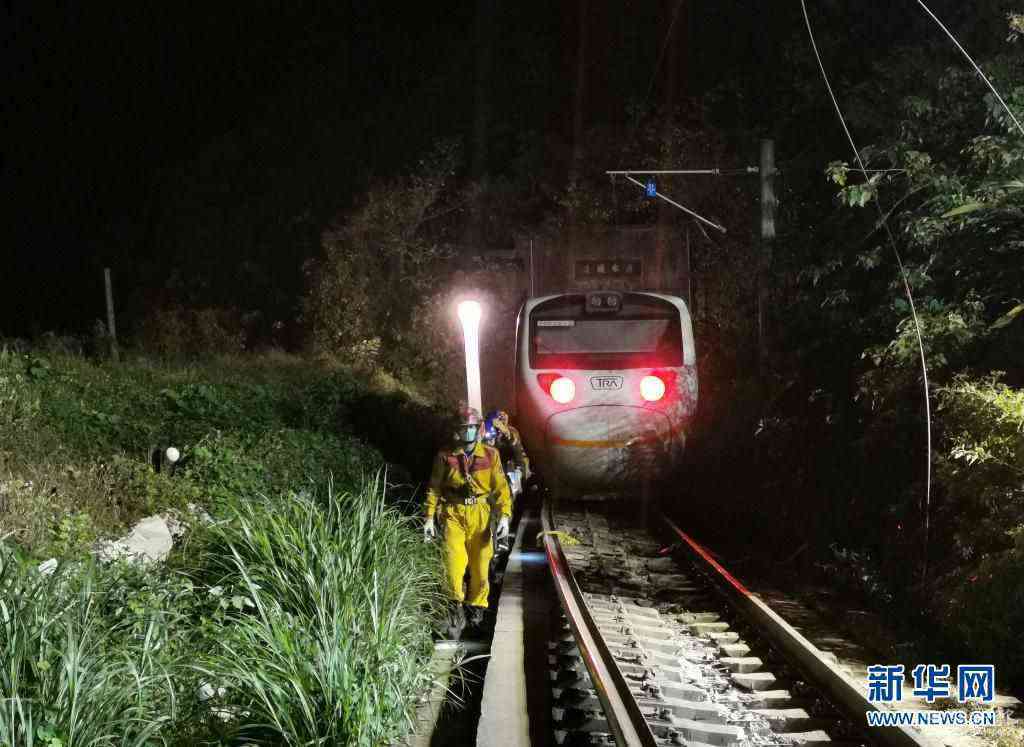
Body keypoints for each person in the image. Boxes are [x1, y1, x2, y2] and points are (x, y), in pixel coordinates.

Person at [423, 407, 511, 632]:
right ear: (457, 430)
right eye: (464, 428)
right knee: (453, 563)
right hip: (453, 513)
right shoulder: (445, 456)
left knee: (481, 565)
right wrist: (429, 517)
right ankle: (454, 608)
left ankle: (476, 610)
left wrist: (504, 516)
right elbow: (434, 487)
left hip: (480, 514)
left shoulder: (490, 455)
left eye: (472, 427)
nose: (468, 431)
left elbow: (501, 488)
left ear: (478, 428)